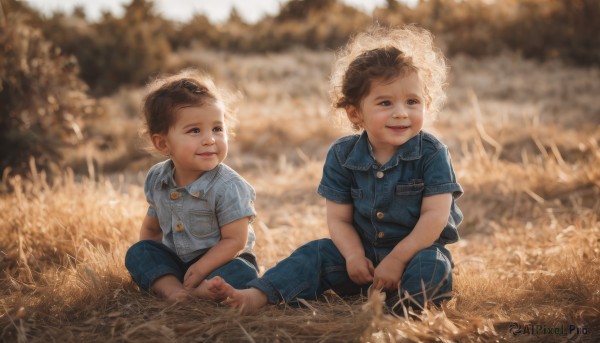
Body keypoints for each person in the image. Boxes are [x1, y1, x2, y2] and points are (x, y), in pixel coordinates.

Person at [220, 25, 464, 315]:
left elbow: (434, 218)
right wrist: (352, 256)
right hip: (361, 261)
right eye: (386, 102)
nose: (401, 112)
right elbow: (339, 220)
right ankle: (258, 295)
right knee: (315, 253)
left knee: (433, 266)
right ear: (355, 112)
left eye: (413, 101)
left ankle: (402, 312)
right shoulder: (342, 154)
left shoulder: (432, 153)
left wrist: (398, 260)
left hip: (414, 255)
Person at [125, 69, 259, 303]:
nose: (210, 139)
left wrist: (201, 269)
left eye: (217, 128)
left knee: (243, 272)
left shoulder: (229, 186)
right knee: (138, 253)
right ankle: (173, 290)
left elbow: (235, 241)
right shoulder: (158, 178)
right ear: (163, 143)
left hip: (221, 261)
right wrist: (157, 261)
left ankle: (195, 292)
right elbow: (151, 231)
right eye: (195, 130)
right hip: (177, 263)